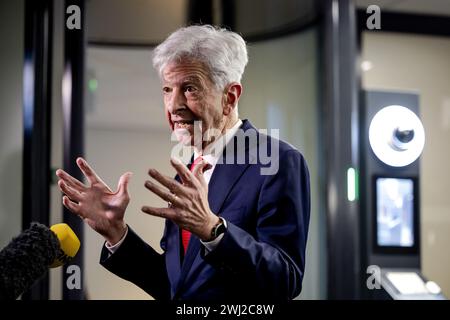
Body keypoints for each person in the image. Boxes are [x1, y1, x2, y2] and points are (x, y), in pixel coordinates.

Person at [56, 25, 311, 301]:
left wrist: (214, 230)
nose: (173, 105)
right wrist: (117, 233)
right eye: (167, 89)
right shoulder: (187, 173)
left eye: (189, 88)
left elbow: (285, 279)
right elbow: (177, 287)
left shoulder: (278, 161)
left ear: (230, 97)